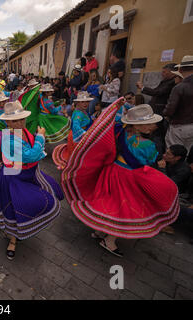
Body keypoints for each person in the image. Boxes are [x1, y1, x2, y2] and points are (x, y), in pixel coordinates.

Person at [62, 102, 179, 257]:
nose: (154, 126)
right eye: (149, 124)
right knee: (124, 209)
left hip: (111, 171)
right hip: (128, 178)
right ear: (139, 126)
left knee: (108, 200)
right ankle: (109, 240)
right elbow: (147, 162)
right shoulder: (148, 145)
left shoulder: (119, 131)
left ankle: (99, 231)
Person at [0, 101, 64, 260]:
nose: (20, 123)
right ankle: (12, 240)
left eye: (21, 119)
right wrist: (40, 137)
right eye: (15, 121)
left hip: (28, 174)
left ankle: (20, 229)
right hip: (13, 179)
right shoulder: (9, 139)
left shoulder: (24, 131)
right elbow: (32, 155)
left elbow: (33, 153)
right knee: (13, 208)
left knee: (44, 195)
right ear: (7, 122)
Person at [52, 91, 94, 170]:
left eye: (87, 101)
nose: (85, 104)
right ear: (78, 103)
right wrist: (85, 134)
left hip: (76, 135)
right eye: (82, 102)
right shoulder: (79, 114)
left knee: (75, 157)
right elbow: (75, 126)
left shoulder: (82, 111)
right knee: (77, 158)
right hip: (77, 136)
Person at [164, 55, 193, 151]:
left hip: (179, 126)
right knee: (188, 153)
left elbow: (170, 109)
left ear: (180, 70)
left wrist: (165, 115)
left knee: (173, 152)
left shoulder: (180, 87)